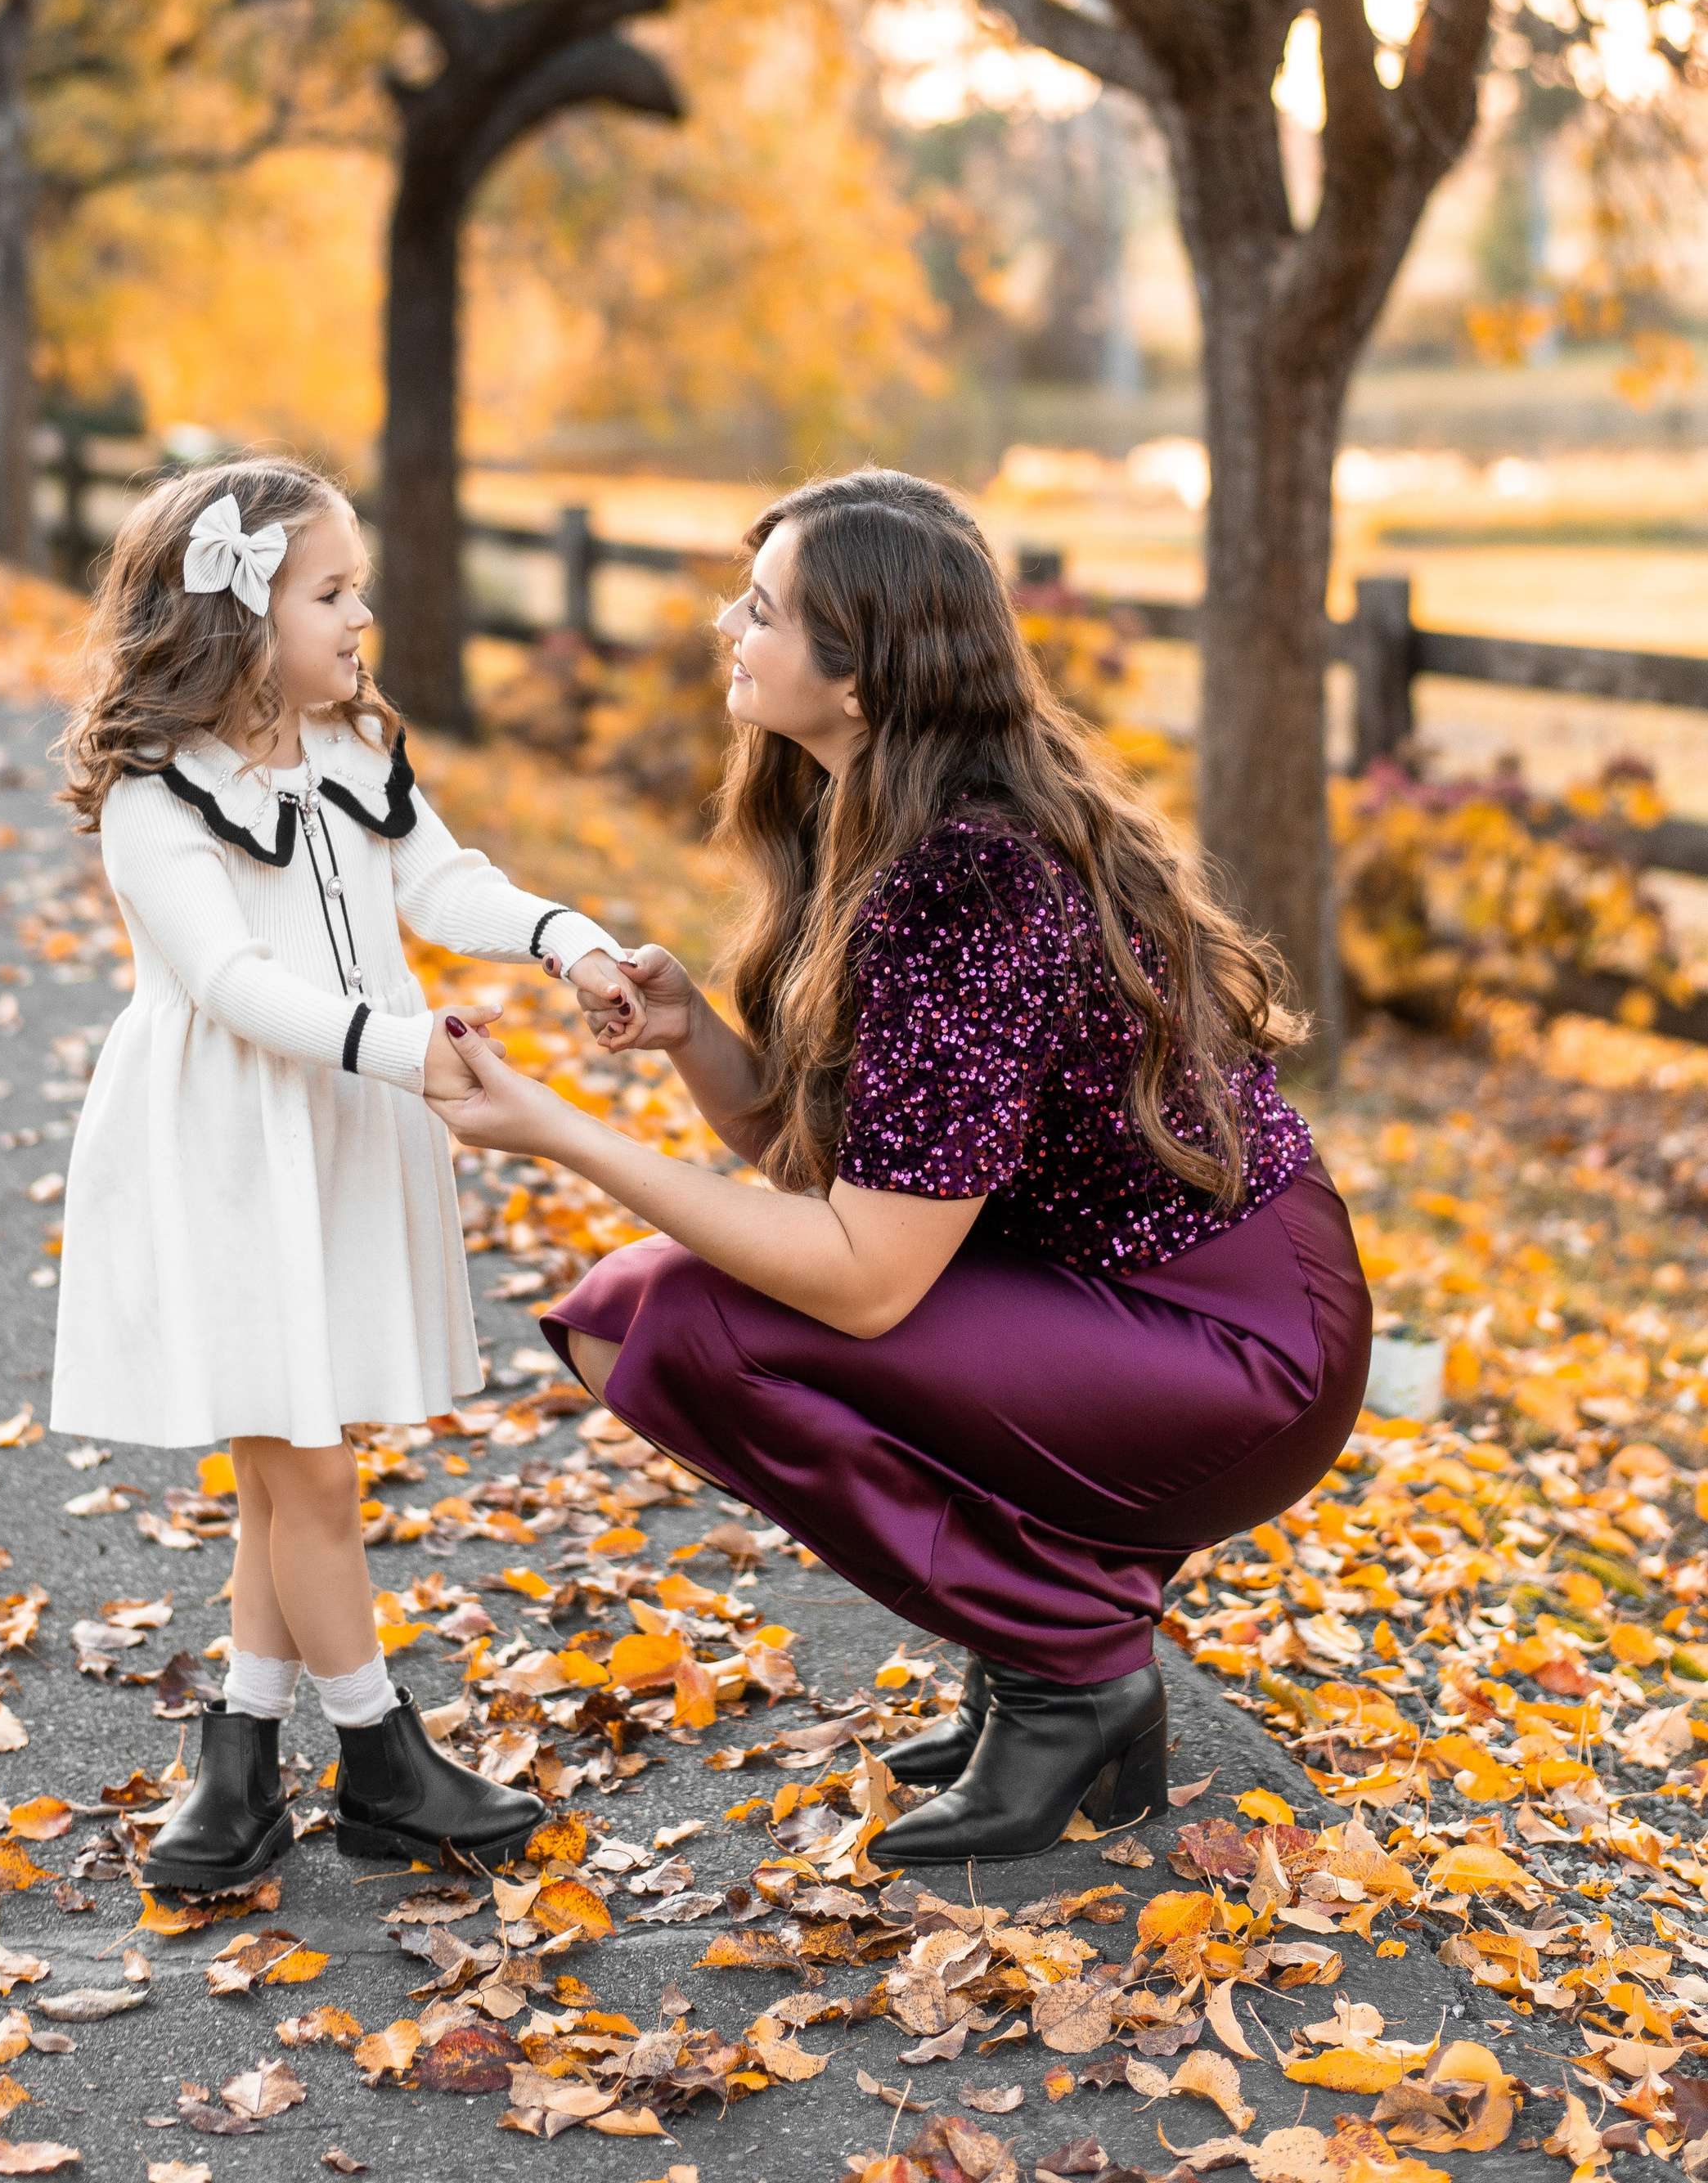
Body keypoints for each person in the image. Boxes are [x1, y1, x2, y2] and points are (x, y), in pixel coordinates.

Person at [427, 468, 1370, 1865]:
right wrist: (695, 1038)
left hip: (1234, 1352)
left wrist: (566, 1130)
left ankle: (1069, 1675)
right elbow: (854, 1181)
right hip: (1158, 1300)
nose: (728, 627)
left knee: (670, 1315)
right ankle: (1043, 1670)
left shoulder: (973, 878)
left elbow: (866, 1279)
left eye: (763, 610)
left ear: (861, 677)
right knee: (669, 1306)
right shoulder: (882, 823)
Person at [51, 456, 644, 1888]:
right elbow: (232, 981)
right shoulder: (155, 797)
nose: (362, 616)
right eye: (331, 592)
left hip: (337, 1129)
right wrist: (403, 1050)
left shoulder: (352, 749)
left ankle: (241, 1766)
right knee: (304, 1471)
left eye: (357, 588)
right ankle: (382, 1763)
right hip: (228, 1147)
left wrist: (568, 941)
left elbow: (438, 882)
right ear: (238, 615)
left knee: (286, 1462)